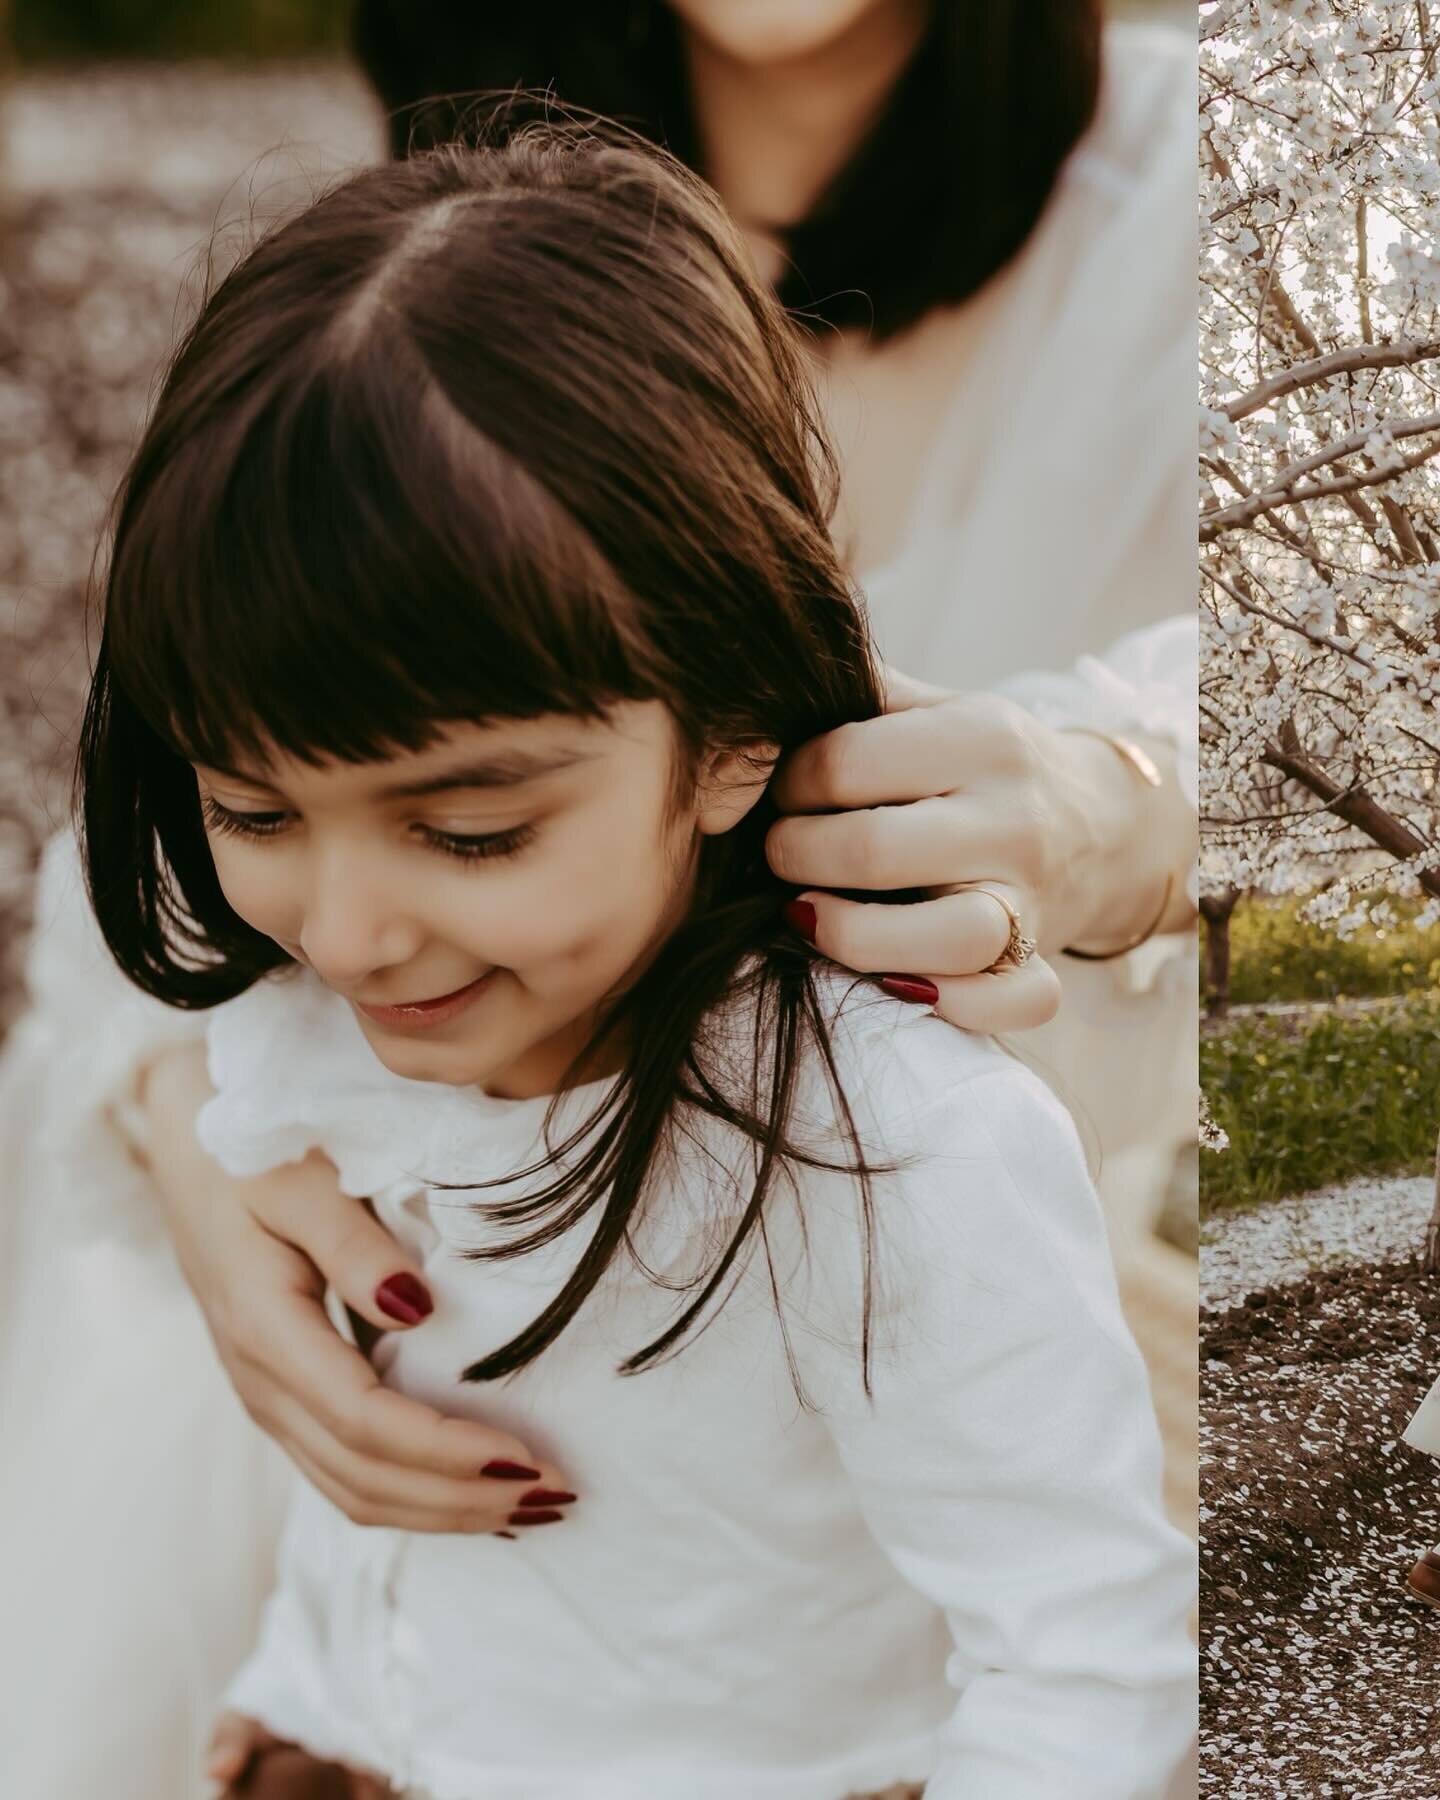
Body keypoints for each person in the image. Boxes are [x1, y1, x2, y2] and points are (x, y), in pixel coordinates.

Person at [0, 4, 1197, 1794]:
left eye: (470, 831)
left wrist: (1133, 802)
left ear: (734, 736)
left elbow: (1085, 1646)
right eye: (257, 810)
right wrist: (324, 1698)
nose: (348, 933)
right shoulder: (405, 261)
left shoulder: (886, 1151)